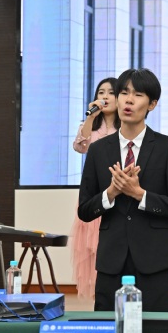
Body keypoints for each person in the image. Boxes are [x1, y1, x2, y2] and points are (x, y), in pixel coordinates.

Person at [77, 68, 168, 312]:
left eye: (138, 95)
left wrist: (140, 194)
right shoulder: (98, 150)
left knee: (160, 332)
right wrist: (111, 193)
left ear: (152, 104)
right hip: (111, 263)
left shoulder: (167, 147)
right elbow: (84, 210)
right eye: (124, 93)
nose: (128, 100)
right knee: (110, 330)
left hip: (155, 262)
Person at [69, 77, 120, 300]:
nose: (105, 96)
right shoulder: (91, 125)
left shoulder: (126, 127)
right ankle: (102, 299)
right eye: (101, 92)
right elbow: (80, 147)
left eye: (111, 92)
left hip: (119, 193)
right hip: (95, 196)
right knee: (94, 253)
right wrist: (91, 116)